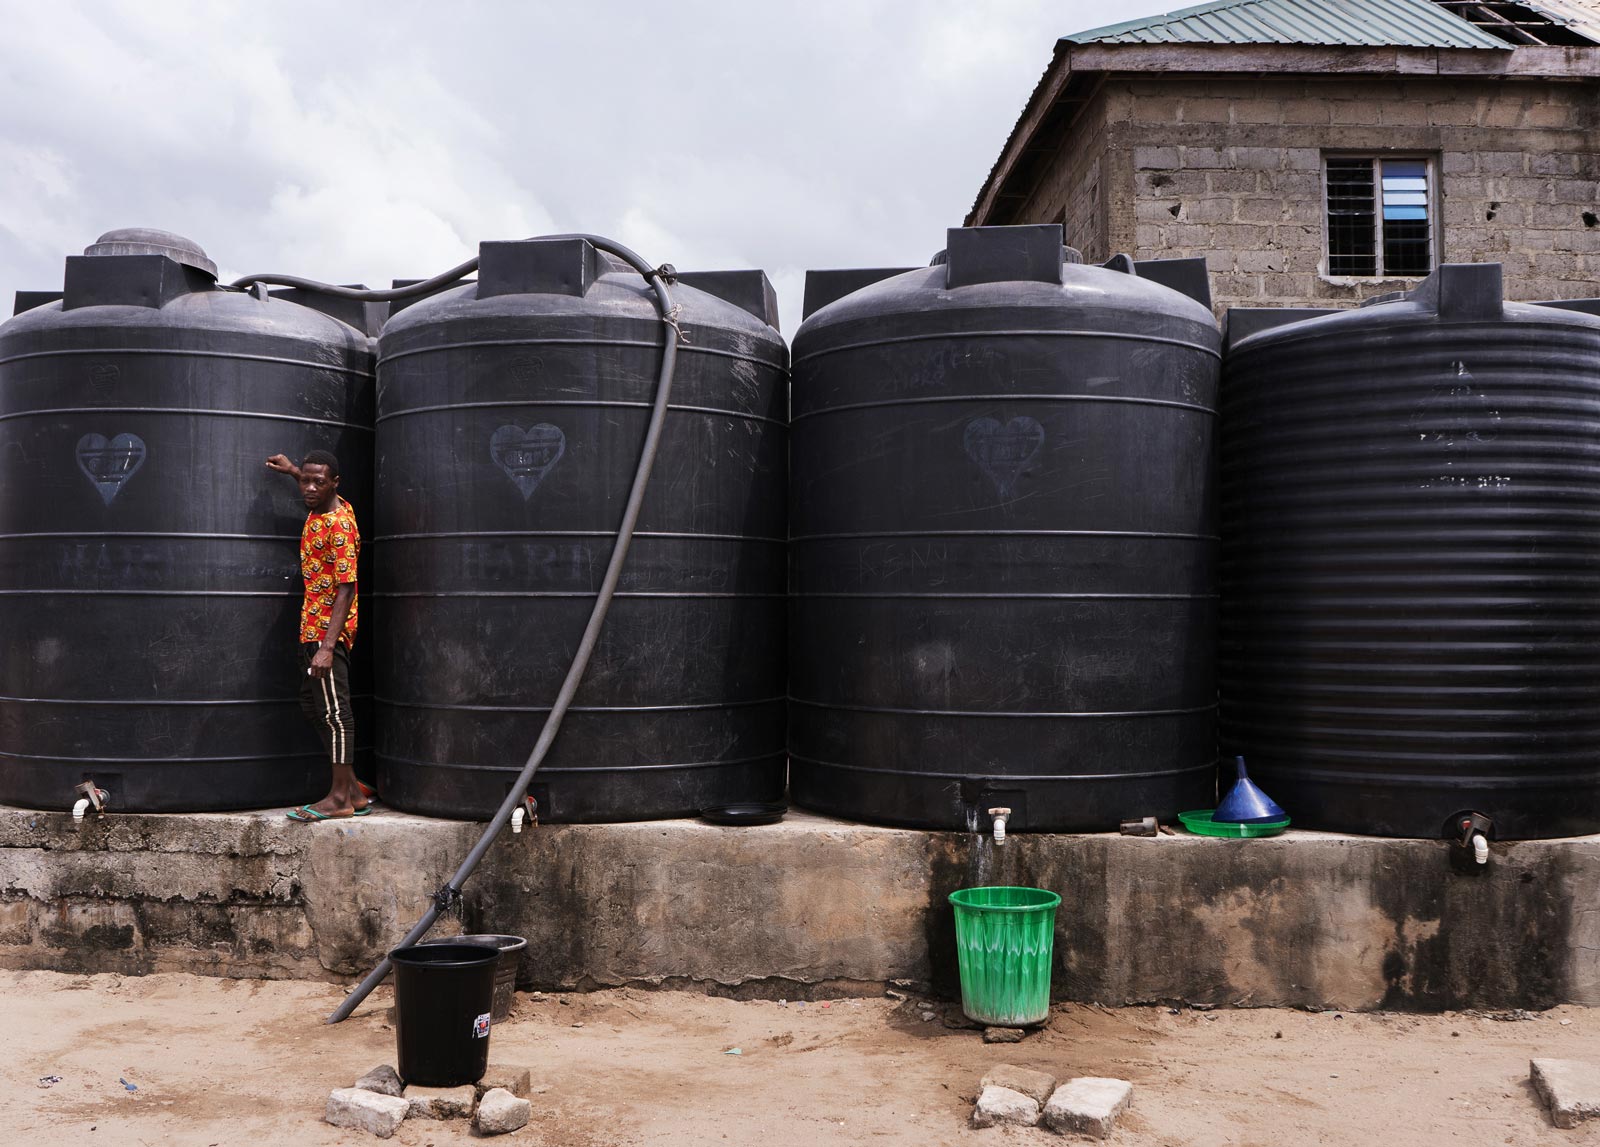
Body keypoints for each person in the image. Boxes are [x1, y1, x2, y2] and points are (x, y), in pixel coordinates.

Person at [265, 449, 370, 821]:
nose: (308, 488)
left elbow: (347, 588)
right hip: (310, 626)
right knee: (313, 705)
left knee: (335, 713)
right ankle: (355, 791)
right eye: (305, 480)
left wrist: (327, 647)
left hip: (327, 631)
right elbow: (312, 484)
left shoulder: (339, 525)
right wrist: (294, 471)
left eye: (317, 482)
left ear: (335, 484)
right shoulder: (325, 504)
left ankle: (340, 797)